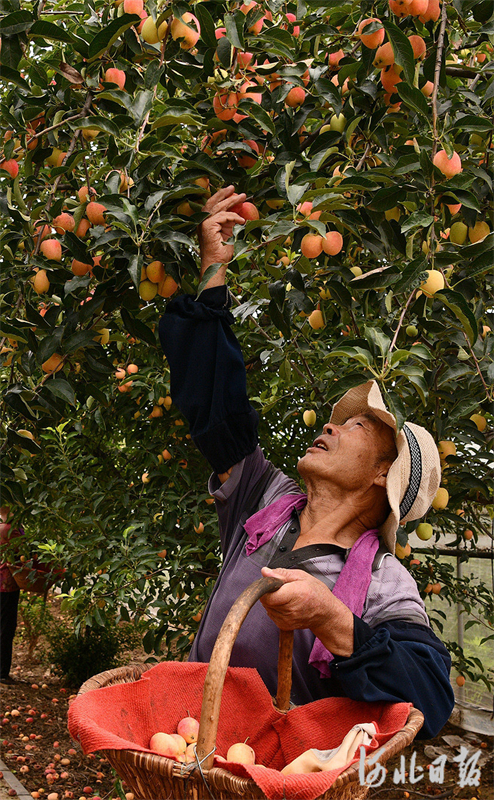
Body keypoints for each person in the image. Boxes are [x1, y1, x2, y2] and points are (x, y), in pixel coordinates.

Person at [158, 186, 455, 739]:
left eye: (356, 426)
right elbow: (214, 403)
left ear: (379, 475)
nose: (329, 425)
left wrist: (332, 618)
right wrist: (212, 273)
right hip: (192, 752)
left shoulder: (383, 584)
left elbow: (431, 696)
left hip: (283, 776)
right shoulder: (265, 502)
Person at [0, 507, 22, 684]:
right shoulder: (10, 529)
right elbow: (24, 552)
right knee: (6, 628)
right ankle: (1, 672)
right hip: (7, 586)